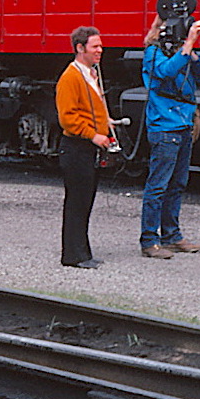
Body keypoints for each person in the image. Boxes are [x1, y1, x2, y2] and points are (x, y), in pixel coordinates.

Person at [139, 13, 200, 258]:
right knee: (158, 186)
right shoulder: (153, 53)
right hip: (164, 127)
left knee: (177, 185)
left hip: (183, 127)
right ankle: (149, 240)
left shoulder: (181, 53)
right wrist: (188, 45)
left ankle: (171, 236)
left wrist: (191, 52)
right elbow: (167, 72)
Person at [57, 25, 116, 268]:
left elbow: (88, 110)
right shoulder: (71, 77)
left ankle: (82, 253)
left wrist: (105, 123)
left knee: (85, 200)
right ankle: (72, 255)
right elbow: (68, 117)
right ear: (80, 48)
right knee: (77, 201)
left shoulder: (90, 74)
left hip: (85, 149)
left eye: (100, 46)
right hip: (76, 147)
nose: (100, 50)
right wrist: (94, 135)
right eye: (95, 46)